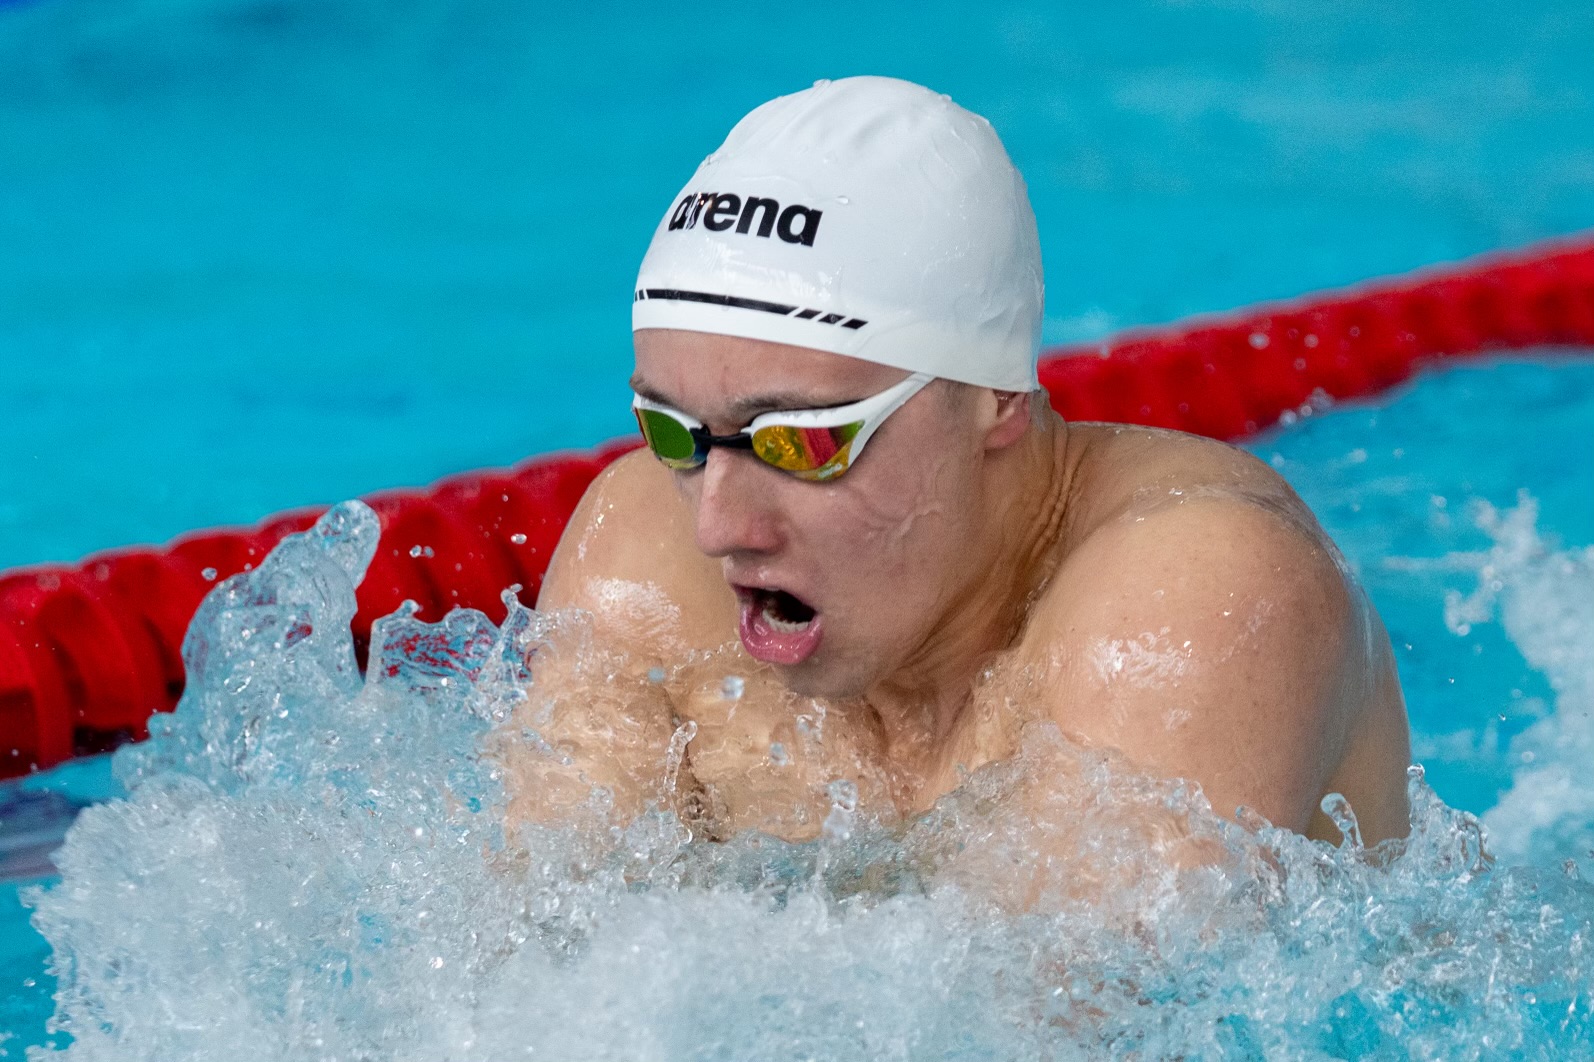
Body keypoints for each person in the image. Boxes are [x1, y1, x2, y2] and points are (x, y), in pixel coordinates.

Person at [515, 76, 1411, 848]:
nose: (718, 527)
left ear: (997, 399)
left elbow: (1077, 1000)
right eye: (674, 433)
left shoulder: (1193, 606)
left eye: (802, 440)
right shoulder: (645, 566)